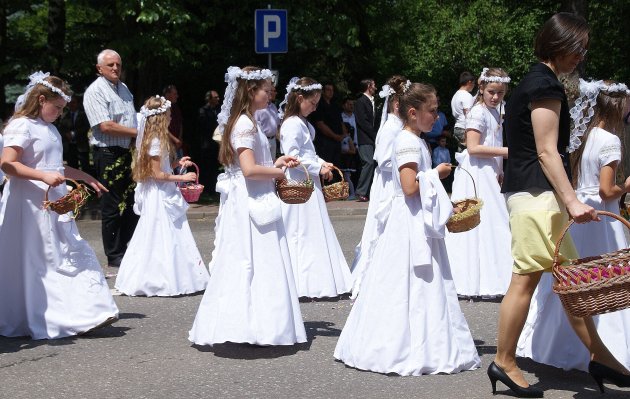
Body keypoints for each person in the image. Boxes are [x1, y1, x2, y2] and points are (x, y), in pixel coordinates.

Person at [490, 13, 630, 398]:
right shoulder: (543, 84)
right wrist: (571, 200)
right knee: (527, 279)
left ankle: (602, 358)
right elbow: (546, 151)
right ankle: (503, 361)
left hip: (534, 195)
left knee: (571, 283)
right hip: (536, 196)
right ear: (559, 43)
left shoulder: (537, 81)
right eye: (577, 47)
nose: (581, 56)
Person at [334, 81, 480, 375]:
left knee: (423, 281)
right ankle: (398, 343)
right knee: (405, 279)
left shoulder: (416, 139)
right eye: (432, 111)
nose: (437, 117)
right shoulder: (407, 141)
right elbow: (409, 186)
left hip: (416, 217)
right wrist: (436, 174)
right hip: (409, 220)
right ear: (413, 113)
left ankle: (425, 339)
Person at [517, 79, 630, 376]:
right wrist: (626, 186)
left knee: (575, 280)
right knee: (607, 278)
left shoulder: (585, 137)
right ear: (619, 106)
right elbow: (606, 191)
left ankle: (558, 345)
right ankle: (607, 350)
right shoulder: (610, 140)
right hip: (602, 217)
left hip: (579, 210)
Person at [189, 66, 306, 347]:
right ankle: (250, 325)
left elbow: (254, 166)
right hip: (251, 200)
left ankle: (261, 324)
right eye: (267, 89)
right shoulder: (243, 124)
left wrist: (275, 163)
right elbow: (249, 170)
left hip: (256, 195)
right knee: (252, 260)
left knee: (259, 261)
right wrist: (281, 174)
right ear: (252, 91)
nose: (271, 94)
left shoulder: (248, 121)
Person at [0, 72, 117, 339]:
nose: (60, 114)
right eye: (57, 108)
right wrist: (42, 176)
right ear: (41, 99)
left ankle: (86, 311)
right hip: (29, 203)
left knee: (64, 252)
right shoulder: (22, 125)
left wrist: (85, 177)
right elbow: (8, 163)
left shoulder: (49, 128)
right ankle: (50, 315)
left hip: (54, 201)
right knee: (42, 258)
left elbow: (55, 166)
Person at [114, 95, 209, 297]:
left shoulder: (155, 139)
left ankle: (173, 274)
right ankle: (161, 277)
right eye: (168, 114)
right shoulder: (155, 141)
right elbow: (156, 174)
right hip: (159, 193)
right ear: (160, 117)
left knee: (167, 232)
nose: (170, 117)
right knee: (160, 232)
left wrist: (176, 164)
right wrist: (182, 178)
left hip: (162, 190)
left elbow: (161, 167)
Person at [277, 77, 352, 299]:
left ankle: (315, 279)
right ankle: (301, 281)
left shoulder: (302, 122)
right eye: (313, 102)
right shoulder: (291, 123)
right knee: (300, 229)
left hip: (309, 179)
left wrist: (322, 162)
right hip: (298, 181)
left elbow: (308, 153)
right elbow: (293, 157)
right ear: (300, 98)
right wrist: (317, 167)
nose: (315, 106)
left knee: (313, 228)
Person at [444, 67, 512, 298]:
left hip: (490, 170)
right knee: (484, 223)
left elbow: (493, 139)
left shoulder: (495, 112)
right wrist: (506, 153)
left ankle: (494, 276)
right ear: (481, 88)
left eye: (500, 93)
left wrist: (501, 169)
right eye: (491, 91)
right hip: (477, 172)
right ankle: (470, 278)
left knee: (494, 223)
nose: (495, 97)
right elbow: (473, 147)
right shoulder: (478, 113)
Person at [350, 76, 406, 297]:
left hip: (396, 180)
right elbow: (382, 160)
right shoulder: (391, 128)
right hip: (390, 183)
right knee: (384, 226)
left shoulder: (398, 126)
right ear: (395, 104)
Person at [83, 49, 139, 268]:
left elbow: (131, 118)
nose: (115, 68)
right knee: (112, 205)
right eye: (110, 65)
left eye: (118, 64)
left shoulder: (123, 88)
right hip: (107, 153)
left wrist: (136, 138)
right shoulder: (95, 91)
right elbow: (105, 125)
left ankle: (127, 247)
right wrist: (138, 132)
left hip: (126, 152)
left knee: (132, 202)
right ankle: (114, 254)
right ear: (99, 68)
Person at [309, 82, 345, 167]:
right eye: (328, 90)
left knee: (336, 166)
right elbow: (320, 124)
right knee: (326, 165)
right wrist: (335, 136)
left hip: (337, 141)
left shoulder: (335, 105)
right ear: (323, 92)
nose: (331, 92)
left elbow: (341, 121)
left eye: (332, 90)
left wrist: (343, 134)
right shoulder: (319, 105)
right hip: (324, 142)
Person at [354, 78, 378, 202]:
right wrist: (375, 135)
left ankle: (369, 191)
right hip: (365, 138)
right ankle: (361, 191)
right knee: (368, 162)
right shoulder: (360, 101)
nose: (376, 87)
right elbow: (363, 121)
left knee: (373, 163)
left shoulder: (372, 101)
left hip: (372, 137)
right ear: (369, 86)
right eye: (374, 85)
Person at [56, 95, 91, 173]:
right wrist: (66, 134)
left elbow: (86, 127)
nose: (71, 104)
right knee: (72, 167)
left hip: (81, 145)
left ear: (78, 103)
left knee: (85, 166)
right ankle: (74, 184)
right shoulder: (64, 115)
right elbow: (61, 127)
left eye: (74, 103)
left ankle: (86, 184)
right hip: (69, 146)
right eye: (70, 103)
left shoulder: (84, 115)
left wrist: (74, 133)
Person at [197, 89, 221, 195]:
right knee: (206, 166)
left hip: (216, 144)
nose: (218, 99)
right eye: (215, 97)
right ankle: (205, 189)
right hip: (206, 143)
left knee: (214, 166)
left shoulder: (218, 110)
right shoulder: (203, 110)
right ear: (209, 99)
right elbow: (204, 126)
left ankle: (213, 188)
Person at [254, 83, 280, 160]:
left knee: (272, 163)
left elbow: (277, 123)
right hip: (263, 140)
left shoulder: (273, 106)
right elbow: (255, 125)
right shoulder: (259, 108)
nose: (276, 93)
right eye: (273, 91)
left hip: (273, 140)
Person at [450, 71, 475, 151]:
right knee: (469, 154)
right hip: (464, 128)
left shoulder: (456, 95)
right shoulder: (466, 95)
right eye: (474, 84)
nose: (474, 86)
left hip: (457, 127)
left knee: (461, 155)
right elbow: (468, 114)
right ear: (469, 82)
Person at [163, 85, 184, 160]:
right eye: (174, 94)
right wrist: (175, 139)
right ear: (167, 94)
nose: (177, 96)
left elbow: (180, 124)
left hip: (178, 144)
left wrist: (180, 138)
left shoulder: (176, 107)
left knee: (181, 168)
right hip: (167, 144)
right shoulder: (162, 108)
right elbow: (162, 127)